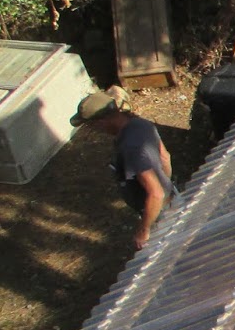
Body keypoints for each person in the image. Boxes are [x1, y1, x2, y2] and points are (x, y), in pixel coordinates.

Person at [71, 91, 178, 250]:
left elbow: (156, 193)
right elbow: (165, 157)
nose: (94, 130)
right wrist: (165, 184)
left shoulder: (130, 147)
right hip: (173, 201)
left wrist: (144, 230)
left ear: (101, 121)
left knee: (172, 258)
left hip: (161, 216)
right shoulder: (140, 123)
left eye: (91, 126)